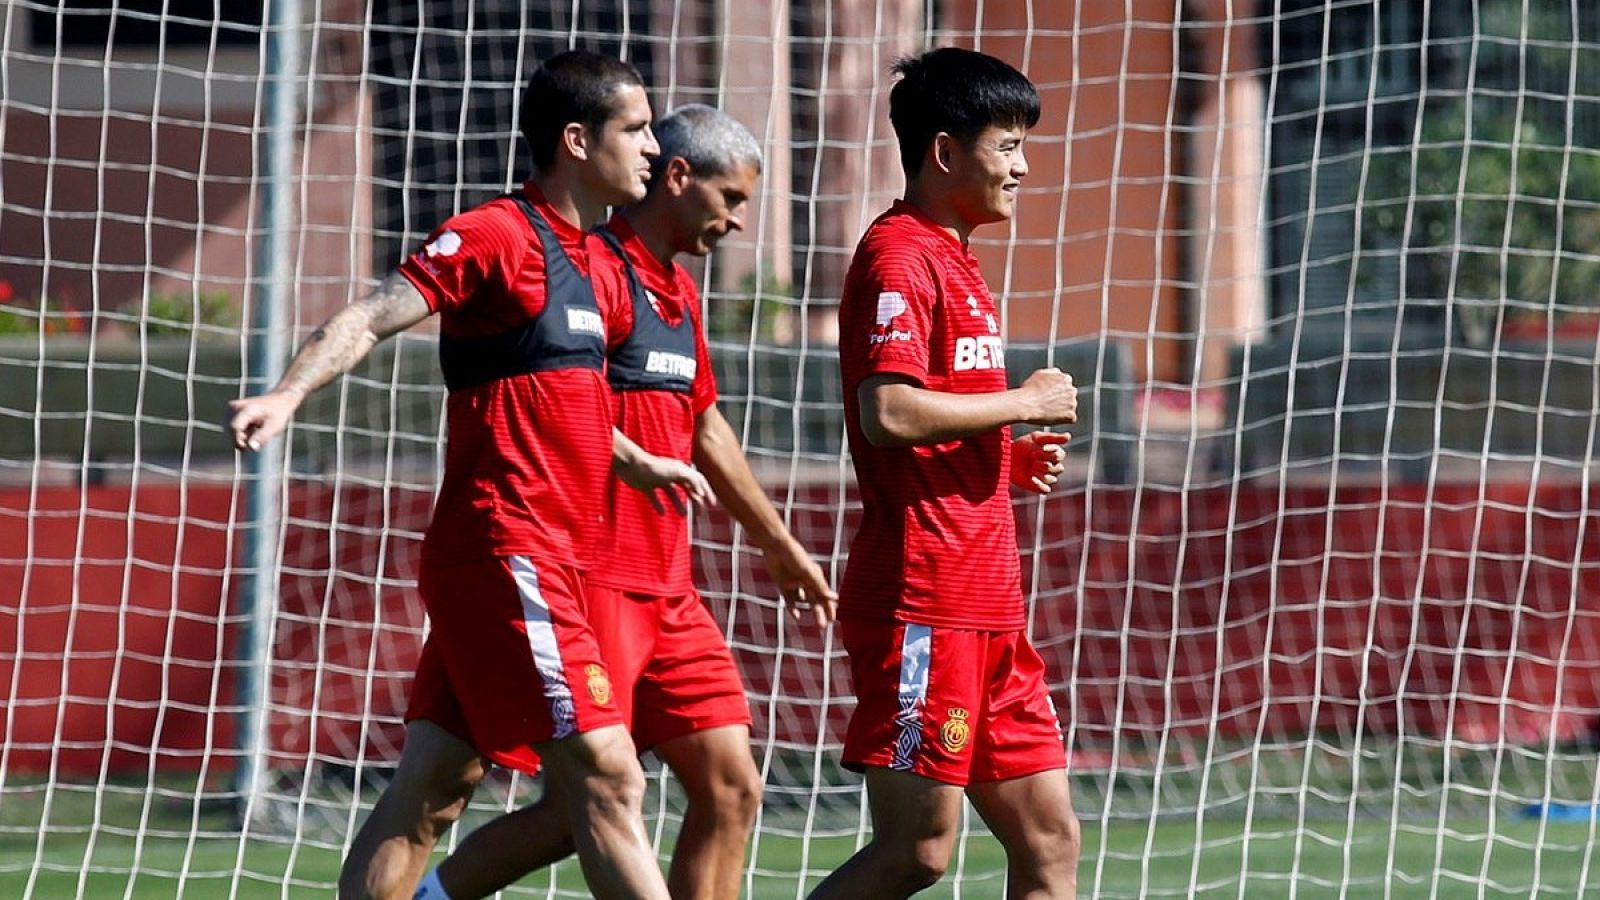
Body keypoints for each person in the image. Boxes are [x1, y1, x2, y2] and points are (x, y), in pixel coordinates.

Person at [227, 50, 706, 900]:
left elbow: (571, 403)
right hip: (507, 550)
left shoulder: (597, 262)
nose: (651, 147)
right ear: (574, 139)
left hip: (540, 559)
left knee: (432, 793)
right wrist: (288, 392)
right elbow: (373, 314)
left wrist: (637, 460)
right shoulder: (497, 235)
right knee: (608, 775)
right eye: (634, 129)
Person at [410, 105, 838, 900]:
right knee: (583, 803)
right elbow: (547, 400)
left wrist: (777, 543)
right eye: (732, 200)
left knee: (732, 785)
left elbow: (704, 424)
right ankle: (435, 894)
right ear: (678, 177)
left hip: (671, 588)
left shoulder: (677, 289)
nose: (740, 222)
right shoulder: (588, 270)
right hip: (590, 572)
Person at [807, 47, 1083, 899]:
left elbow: (937, 415)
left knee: (1050, 842)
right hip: (926, 601)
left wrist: (1002, 454)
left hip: (989, 603)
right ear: (944, 152)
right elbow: (886, 413)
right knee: (917, 852)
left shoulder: (959, 260)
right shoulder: (899, 256)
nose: (1024, 166)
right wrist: (1022, 405)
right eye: (1008, 145)